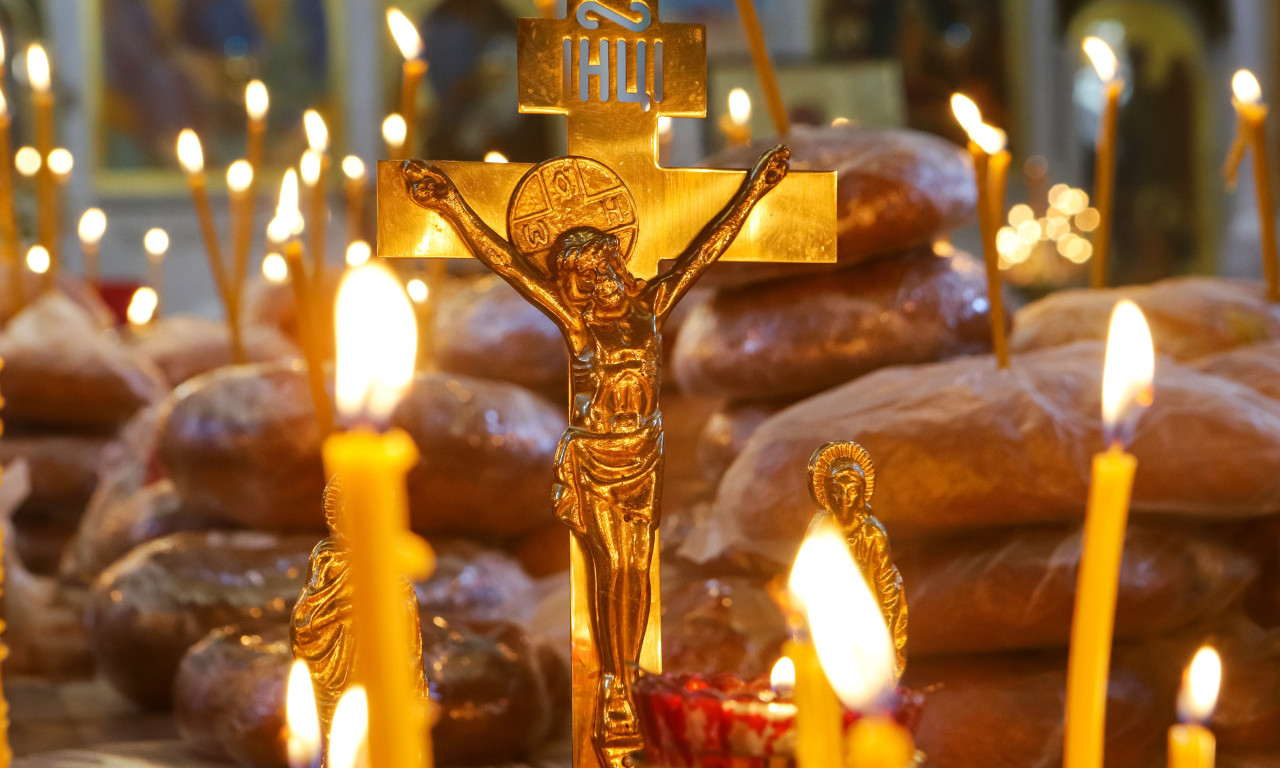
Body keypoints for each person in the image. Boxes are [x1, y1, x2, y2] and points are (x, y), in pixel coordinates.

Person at [401, 145, 790, 763]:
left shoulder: (649, 311)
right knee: (608, 572)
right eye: (582, 279)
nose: (597, 284)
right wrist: (451, 205)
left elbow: (704, 251)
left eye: (602, 269)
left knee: (639, 571)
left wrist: (755, 191)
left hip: (644, 456)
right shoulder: (577, 326)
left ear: (615, 263)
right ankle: (613, 682)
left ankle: (629, 675)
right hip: (596, 461)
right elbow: (504, 261)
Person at [806, 441, 908, 675]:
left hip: (865, 618)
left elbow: (885, 583)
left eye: (851, 492)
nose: (844, 499)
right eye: (837, 492)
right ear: (827, 494)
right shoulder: (821, 528)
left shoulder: (871, 533)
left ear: (861, 494)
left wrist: (888, 637)